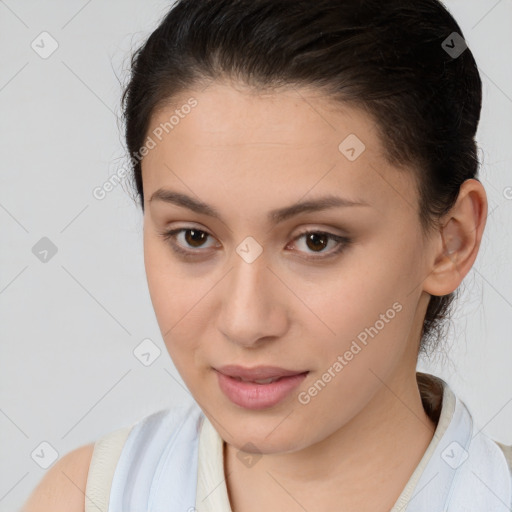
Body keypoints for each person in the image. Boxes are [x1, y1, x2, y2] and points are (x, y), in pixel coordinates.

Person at [23, 0, 512, 510]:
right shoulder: (86, 498)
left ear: (450, 241)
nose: (245, 321)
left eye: (316, 240)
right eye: (193, 236)